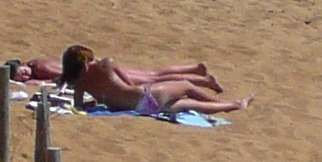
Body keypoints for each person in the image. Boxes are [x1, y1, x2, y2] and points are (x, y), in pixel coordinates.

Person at [22, 45, 251, 118]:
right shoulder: (106, 64)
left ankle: (234, 105)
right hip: (144, 97)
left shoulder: (78, 83)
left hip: (136, 109)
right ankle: (230, 103)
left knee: (188, 105)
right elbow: (129, 83)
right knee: (188, 89)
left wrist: (101, 103)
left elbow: (81, 106)